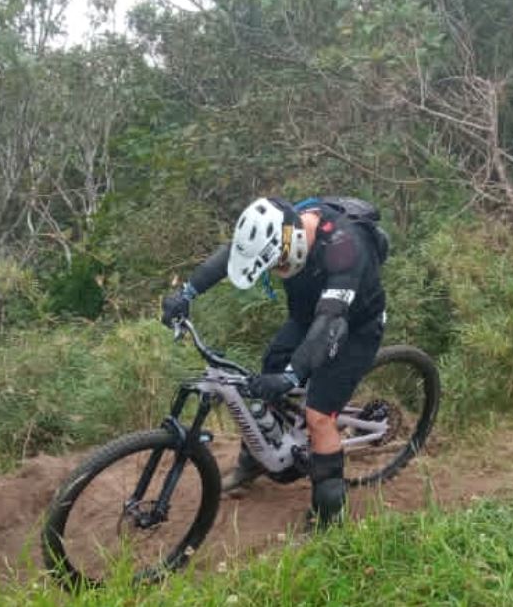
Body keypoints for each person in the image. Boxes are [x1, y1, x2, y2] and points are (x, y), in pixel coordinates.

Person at [160, 196, 386, 526]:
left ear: (293, 245)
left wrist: (293, 376)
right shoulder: (280, 227)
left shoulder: (344, 248)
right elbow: (232, 254)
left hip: (354, 327)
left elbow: (330, 322)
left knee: (319, 416)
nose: (278, 273)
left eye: (278, 266)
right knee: (266, 379)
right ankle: (254, 461)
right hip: (307, 317)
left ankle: (329, 518)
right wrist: (186, 293)